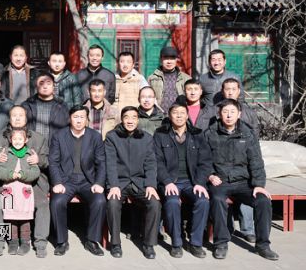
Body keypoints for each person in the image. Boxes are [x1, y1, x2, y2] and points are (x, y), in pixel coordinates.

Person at [205, 98, 278, 260]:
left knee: (263, 201)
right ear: (219, 114)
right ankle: (220, 243)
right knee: (217, 199)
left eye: (232, 112)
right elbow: (203, 159)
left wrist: (259, 184)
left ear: (239, 114)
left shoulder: (248, 133)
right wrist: (210, 175)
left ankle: (263, 245)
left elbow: (256, 161)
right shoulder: (210, 134)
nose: (228, 115)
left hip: (244, 181)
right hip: (220, 181)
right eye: (225, 112)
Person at [154, 103, 211, 258]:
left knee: (203, 200)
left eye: (182, 113)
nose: (178, 115)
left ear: (187, 116)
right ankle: (177, 243)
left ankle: (195, 243)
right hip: (170, 181)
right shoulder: (160, 134)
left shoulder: (197, 134)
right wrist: (167, 181)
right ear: (169, 115)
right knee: (172, 201)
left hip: (192, 181)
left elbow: (205, 162)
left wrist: (200, 183)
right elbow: (157, 162)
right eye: (175, 112)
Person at [0, 106, 50, 258]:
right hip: (5, 181)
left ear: (26, 118)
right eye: (14, 115)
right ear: (9, 118)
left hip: (32, 182)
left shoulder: (38, 138)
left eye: (21, 115)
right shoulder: (0, 138)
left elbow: (47, 161)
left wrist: (39, 160)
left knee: (42, 203)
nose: (17, 118)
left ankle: (40, 243)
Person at [49, 105, 107, 256]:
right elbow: (53, 162)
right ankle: (62, 241)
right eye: (75, 117)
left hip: (88, 181)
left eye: (82, 117)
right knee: (57, 202)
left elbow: (101, 163)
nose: (79, 120)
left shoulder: (95, 136)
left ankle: (92, 241)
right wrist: (57, 182)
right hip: (66, 180)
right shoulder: (59, 136)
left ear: (87, 119)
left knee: (100, 201)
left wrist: (99, 183)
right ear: (70, 118)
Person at [104, 106, 161, 259]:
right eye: (127, 117)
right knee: (113, 203)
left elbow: (151, 163)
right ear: (122, 119)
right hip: (120, 182)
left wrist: (151, 185)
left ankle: (149, 244)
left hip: (139, 182)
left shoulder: (146, 138)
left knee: (154, 203)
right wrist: (113, 185)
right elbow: (110, 163)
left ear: (138, 120)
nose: (130, 121)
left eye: (134, 117)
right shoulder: (112, 137)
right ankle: (115, 243)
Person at [221, 77, 260, 243]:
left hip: (243, 162)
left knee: (248, 189)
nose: (230, 92)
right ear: (223, 91)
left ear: (239, 91)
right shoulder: (218, 110)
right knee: (221, 193)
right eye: (227, 89)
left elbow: (255, 138)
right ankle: (227, 228)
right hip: (223, 163)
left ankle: (248, 229)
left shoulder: (248, 112)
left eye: (233, 89)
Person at [0, 129, 41, 256]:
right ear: (10, 140)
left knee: (24, 217)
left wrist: (23, 174)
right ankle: (13, 242)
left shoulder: (29, 154)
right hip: (10, 189)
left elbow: (35, 171)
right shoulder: (6, 153)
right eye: (15, 139)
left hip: (24, 191)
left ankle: (25, 242)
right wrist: (10, 174)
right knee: (11, 217)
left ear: (26, 140)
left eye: (20, 139)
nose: (17, 141)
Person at [21, 71, 69, 145]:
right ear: (36, 86)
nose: (45, 86)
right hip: (32, 147)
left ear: (53, 86)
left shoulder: (62, 106)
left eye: (48, 83)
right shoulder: (27, 105)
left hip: (55, 147)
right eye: (41, 83)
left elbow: (67, 130)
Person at [147, 46, 191, 113]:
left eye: (172, 58)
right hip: (159, 115)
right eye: (166, 58)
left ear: (176, 60)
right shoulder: (152, 78)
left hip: (179, 115)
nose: (169, 62)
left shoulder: (186, 78)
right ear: (161, 59)